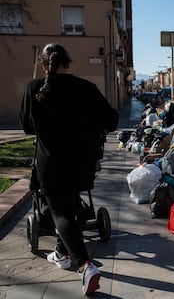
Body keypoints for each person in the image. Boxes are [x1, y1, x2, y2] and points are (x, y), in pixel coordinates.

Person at [20, 43, 118, 295]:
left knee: (60, 212)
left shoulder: (35, 88)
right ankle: (62, 252)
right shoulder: (87, 88)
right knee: (71, 202)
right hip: (83, 162)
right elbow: (112, 120)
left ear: (44, 65)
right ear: (68, 63)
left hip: (51, 163)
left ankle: (85, 266)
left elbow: (27, 127)